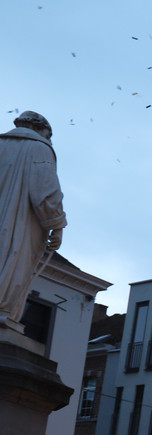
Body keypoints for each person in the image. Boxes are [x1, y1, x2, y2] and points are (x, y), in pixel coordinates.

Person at [0, 111, 65, 330]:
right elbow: (45, 192)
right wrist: (57, 225)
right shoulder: (40, 149)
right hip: (17, 226)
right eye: (49, 135)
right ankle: (4, 311)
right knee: (11, 263)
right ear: (42, 130)